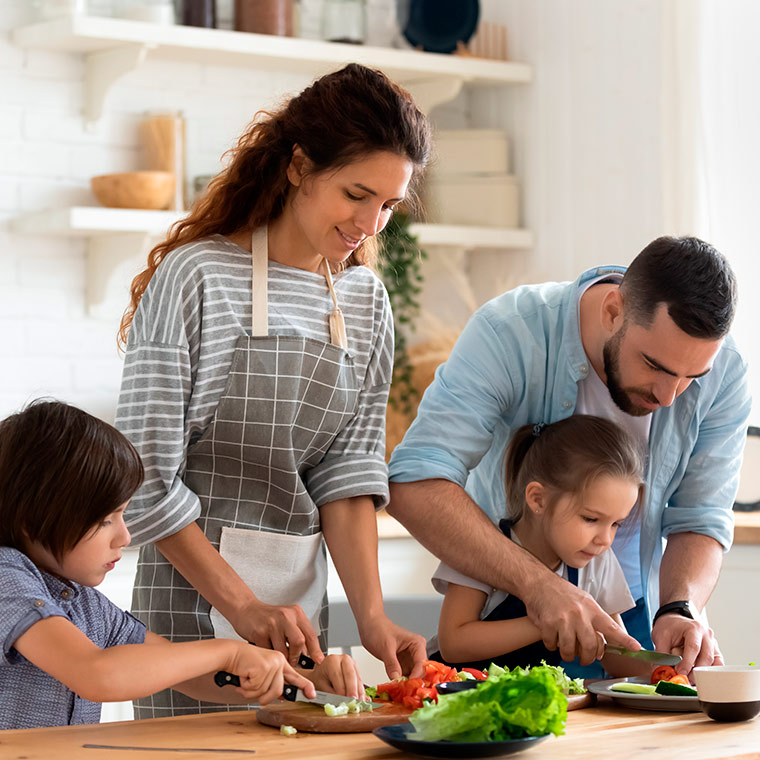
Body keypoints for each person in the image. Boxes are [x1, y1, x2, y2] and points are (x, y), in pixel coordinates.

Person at [115, 63, 433, 717]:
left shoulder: (365, 301)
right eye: (356, 193)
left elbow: (345, 474)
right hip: (191, 615)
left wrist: (371, 619)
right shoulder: (198, 277)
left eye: (389, 205)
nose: (371, 224)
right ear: (297, 167)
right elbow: (146, 476)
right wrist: (243, 606)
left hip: (301, 626)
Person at [388, 236, 750, 675]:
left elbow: (701, 517)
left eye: (693, 376)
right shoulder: (511, 331)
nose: (669, 395)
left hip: (633, 611)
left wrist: (681, 606)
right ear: (613, 310)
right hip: (505, 586)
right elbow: (414, 482)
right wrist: (541, 587)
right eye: (655, 366)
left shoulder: (727, 371)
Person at [0, 400, 364, 731]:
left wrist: (307, 681)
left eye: (122, 515)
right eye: (104, 521)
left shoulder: (85, 604)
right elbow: (97, 675)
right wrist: (229, 650)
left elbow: (189, 674)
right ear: (31, 521)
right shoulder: (7, 578)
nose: (124, 538)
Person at [429, 415, 646, 677]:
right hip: (448, 694)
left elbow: (618, 661)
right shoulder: (481, 548)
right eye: (591, 519)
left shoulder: (598, 561)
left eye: (616, 524)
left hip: (522, 701)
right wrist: (549, 620)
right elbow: (454, 644)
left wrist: (668, 665)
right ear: (538, 499)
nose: (605, 540)